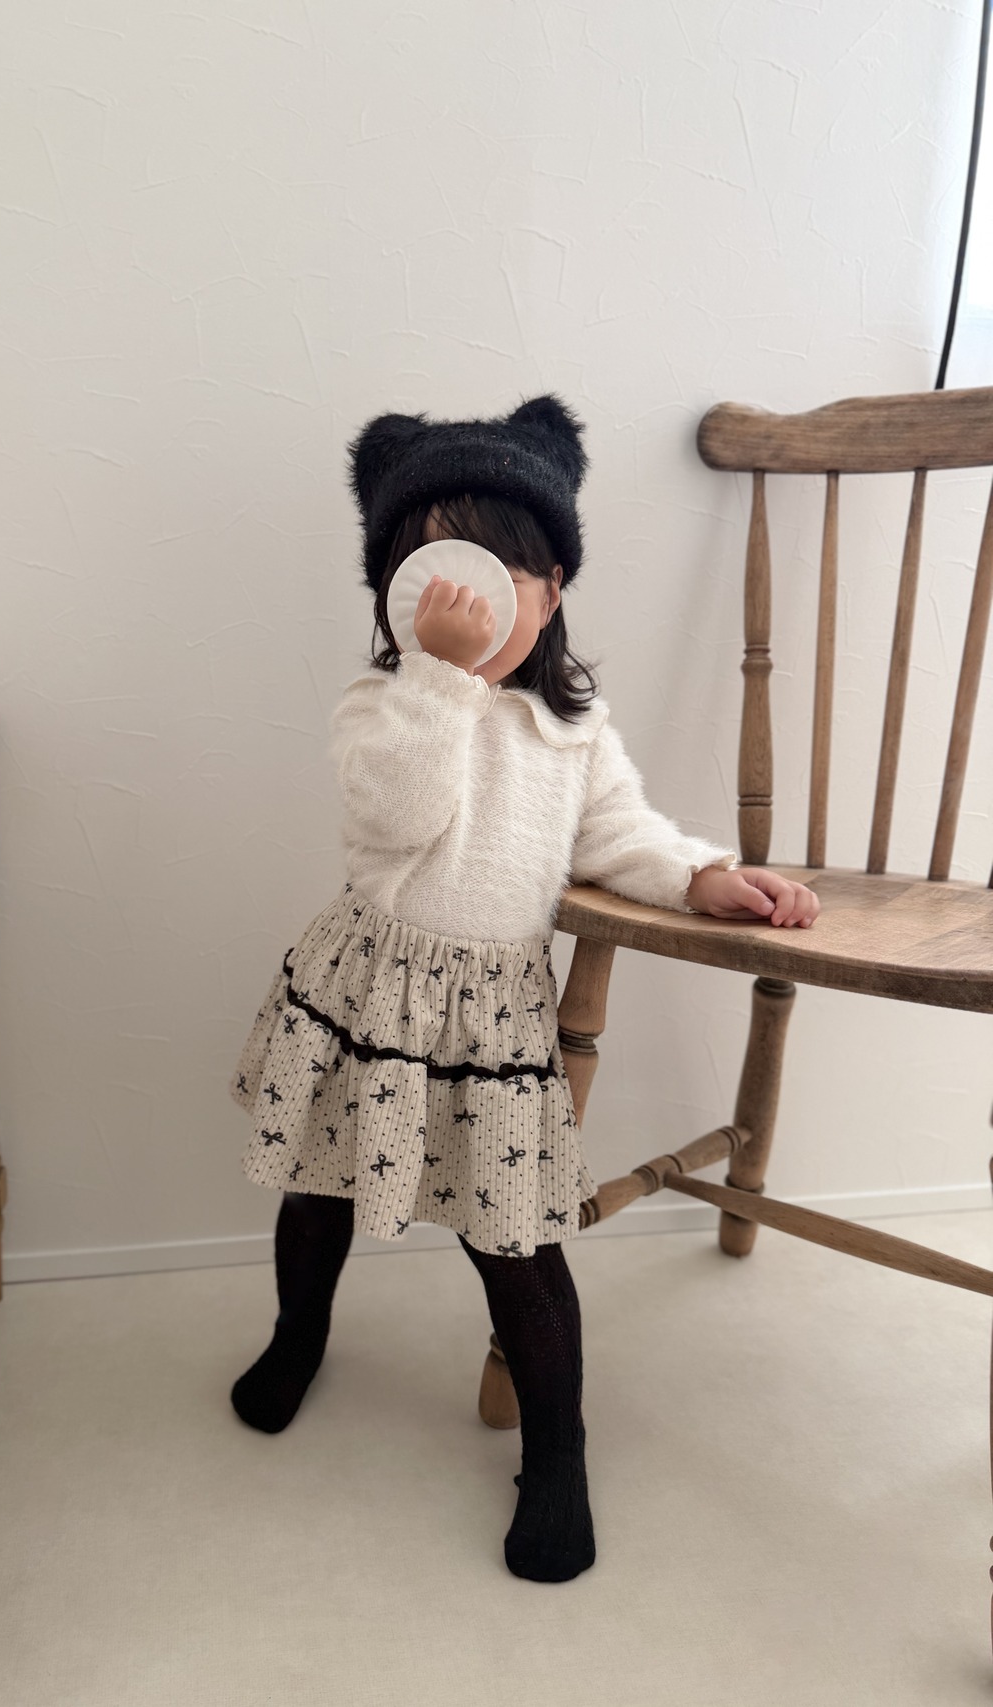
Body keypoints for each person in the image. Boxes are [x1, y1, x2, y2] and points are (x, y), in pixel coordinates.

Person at [228, 394, 819, 1583]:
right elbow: (395, 817)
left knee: (515, 1241)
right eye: (433, 571)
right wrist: (439, 682)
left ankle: (556, 1450)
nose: (469, 599)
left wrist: (698, 875)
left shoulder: (571, 730)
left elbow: (617, 835)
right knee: (318, 1187)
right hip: (369, 996)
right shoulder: (381, 708)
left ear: (552, 588)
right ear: (396, 594)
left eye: (499, 571)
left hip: (492, 1018)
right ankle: (298, 1335)